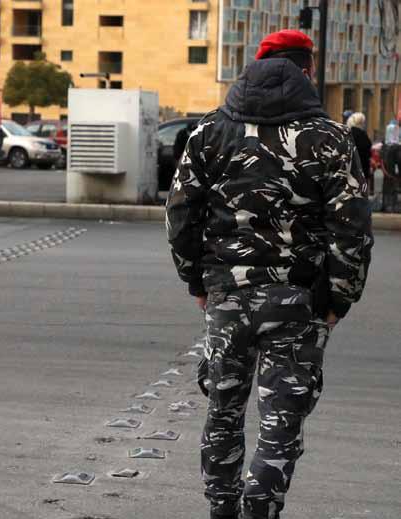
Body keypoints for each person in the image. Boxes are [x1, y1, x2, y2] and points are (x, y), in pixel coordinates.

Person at [166, 30, 373, 519]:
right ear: (308, 71)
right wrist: (339, 298)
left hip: (226, 293)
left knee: (223, 411)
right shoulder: (331, 138)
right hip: (299, 299)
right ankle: (260, 508)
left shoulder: (208, 131)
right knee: (282, 419)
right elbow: (352, 228)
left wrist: (196, 281)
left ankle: (222, 508)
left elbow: (180, 213)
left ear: (253, 67)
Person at [347, 112, 373, 195]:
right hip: (362, 167)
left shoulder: (347, 132)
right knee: (362, 192)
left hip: (349, 167)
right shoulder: (362, 134)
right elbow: (367, 150)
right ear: (360, 123)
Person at [381, 119, 401, 212]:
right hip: (393, 173)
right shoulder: (396, 147)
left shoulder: (385, 145)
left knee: (387, 187)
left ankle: (386, 205)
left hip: (387, 172)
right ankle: (392, 206)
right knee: (393, 187)